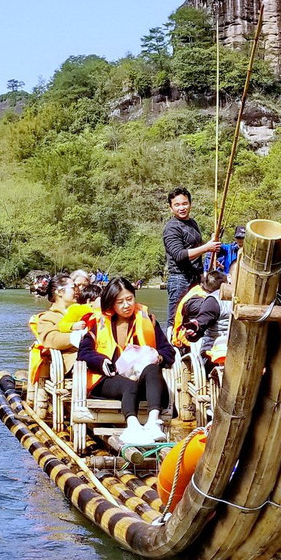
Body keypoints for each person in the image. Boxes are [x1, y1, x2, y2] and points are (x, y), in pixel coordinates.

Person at [78, 277, 174, 444]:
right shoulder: (100, 323)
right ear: (111, 304)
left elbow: (168, 351)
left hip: (142, 380)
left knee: (153, 369)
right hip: (109, 379)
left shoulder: (148, 321)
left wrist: (159, 357)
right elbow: (84, 351)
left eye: (129, 299)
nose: (126, 305)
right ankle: (133, 425)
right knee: (129, 385)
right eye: (120, 302)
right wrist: (100, 361)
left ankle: (153, 422)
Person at [162, 187, 220, 328]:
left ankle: (188, 346)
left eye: (184, 203)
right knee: (175, 318)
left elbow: (195, 251)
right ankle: (172, 347)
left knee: (193, 317)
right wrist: (207, 247)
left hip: (195, 278)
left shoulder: (192, 223)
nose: (181, 208)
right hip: (179, 279)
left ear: (190, 204)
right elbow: (179, 255)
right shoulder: (172, 228)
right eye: (177, 205)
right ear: (171, 208)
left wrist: (202, 274)